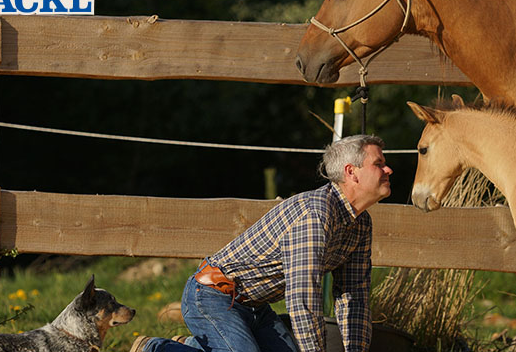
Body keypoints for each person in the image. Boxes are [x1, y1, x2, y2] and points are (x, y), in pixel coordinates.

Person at [132, 135, 392, 352]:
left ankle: (198, 347)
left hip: (257, 308)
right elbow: (303, 297)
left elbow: (353, 295)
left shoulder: (361, 224)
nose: (388, 169)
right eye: (378, 163)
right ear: (351, 172)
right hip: (214, 296)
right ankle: (157, 348)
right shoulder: (315, 215)